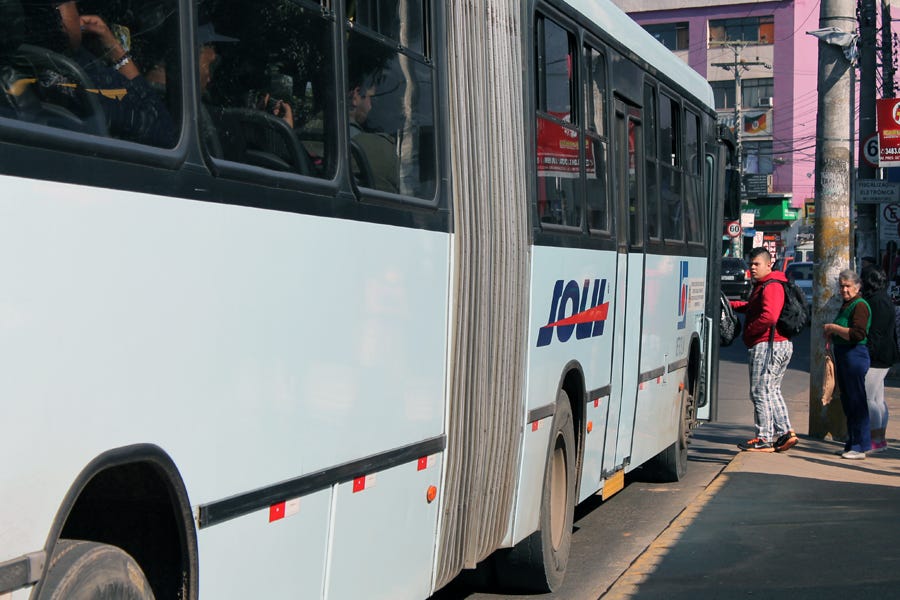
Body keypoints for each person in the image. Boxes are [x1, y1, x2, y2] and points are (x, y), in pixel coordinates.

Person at [22, 0, 175, 146]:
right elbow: (163, 130)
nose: (78, 10)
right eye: (71, 3)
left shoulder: (29, 61)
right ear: (54, 15)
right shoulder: (71, 84)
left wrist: (107, 40)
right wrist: (117, 52)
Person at [730, 247, 799, 453]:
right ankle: (786, 432)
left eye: (757, 264)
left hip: (769, 344)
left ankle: (764, 438)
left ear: (769, 264)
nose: (752, 268)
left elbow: (769, 316)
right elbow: (754, 308)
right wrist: (732, 304)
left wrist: (750, 332)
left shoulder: (771, 285)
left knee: (759, 391)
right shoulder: (766, 285)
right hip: (776, 343)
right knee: (771, 390)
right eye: (751, 264)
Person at [824, 269, 872, 460]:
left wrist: (833, 328)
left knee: (856, 402)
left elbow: (858, 334)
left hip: (855, 356)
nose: (844, 289)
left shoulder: (860, 305)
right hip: (844, 356)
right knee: (848, 401)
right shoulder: (847, 304)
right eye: (842, 286)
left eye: (848, 286)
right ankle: (852, 443)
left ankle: (860, 446)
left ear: (857, 287)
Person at [861, 267, 897, 452]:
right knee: (877, 398)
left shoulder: (876, 301)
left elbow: (876, 332)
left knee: (868, 399)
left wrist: (866, 354)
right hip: (885, 354)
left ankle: (875, 439)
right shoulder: (883, 298)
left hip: (877, 356)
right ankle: (879, 439)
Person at [348, 75, 399, 193]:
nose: (370, 106)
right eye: (371, 98)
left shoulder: (306, 137)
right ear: (356, 96)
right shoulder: (378, 148)